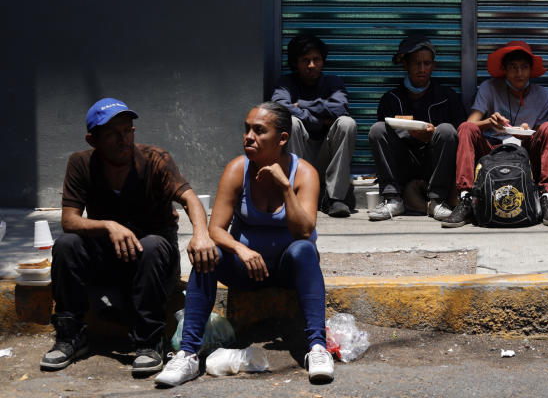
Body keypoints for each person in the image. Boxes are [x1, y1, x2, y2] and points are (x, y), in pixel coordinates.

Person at [155, 101, 333, 387]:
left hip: (287, 270)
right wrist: (241, 249)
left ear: (282, 139)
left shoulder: (305, 174)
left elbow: (304, 230)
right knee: (206, 252)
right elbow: (215, 229)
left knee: (305, 250)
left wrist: (285, 187)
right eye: (247, 129)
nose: (248, 136)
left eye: (259, 131)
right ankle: (187, 354)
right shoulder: (238, 169)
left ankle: (317, 348)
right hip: (244, 269)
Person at [42, 98, 217, 376]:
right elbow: (69, 220)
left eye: (128, 130)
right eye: (113, 133)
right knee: (67, 245)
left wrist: (201, 234)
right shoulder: (81, 163)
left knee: (151, 244)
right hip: (109, 259)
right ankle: (70, 335)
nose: (123, 139)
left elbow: (189, 198)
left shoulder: (154, 159)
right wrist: (108, 226)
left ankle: (149, 341)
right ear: (93, 139)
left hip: (153, 261)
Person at [442, 40, 548, 227]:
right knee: (466, 128)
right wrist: (489, 122)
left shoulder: (544, 95)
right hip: (492, 151)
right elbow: (470, 123)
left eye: (524, 67)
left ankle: (547, 196)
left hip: (525, 153)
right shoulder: (488, 88)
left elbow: (542, 134)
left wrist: (528, 133)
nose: (519, 73)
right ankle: (465, 197)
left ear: (531, 70)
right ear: (504, 70)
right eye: (513, 67)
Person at [367, 34, 467, 221]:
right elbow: (385, 141)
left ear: (433, 66)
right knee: (377, 129)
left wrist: (432, 136)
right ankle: (392, 199)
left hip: (435, 168)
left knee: (446, 130)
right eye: (416, 64)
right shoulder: (391, 99)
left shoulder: (447, 97)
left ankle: (437, 201)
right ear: (405, 65)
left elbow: (460, 135)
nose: (422, 69)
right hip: (404, 167)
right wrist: (409, 135)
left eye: (427, 64)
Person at [271, 32, 357, 217]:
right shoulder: (286, 84)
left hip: (327, 154)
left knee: (347, 123)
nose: (312, 65)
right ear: (295, 63)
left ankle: (334, 199)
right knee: (291, 123)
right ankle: (295, 194)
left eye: (316, 59)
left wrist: (301, 105)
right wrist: (317, 120)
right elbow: (279, 108)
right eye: (305, 60)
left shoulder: (333, 82)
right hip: (300, 152)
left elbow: (340, 108)